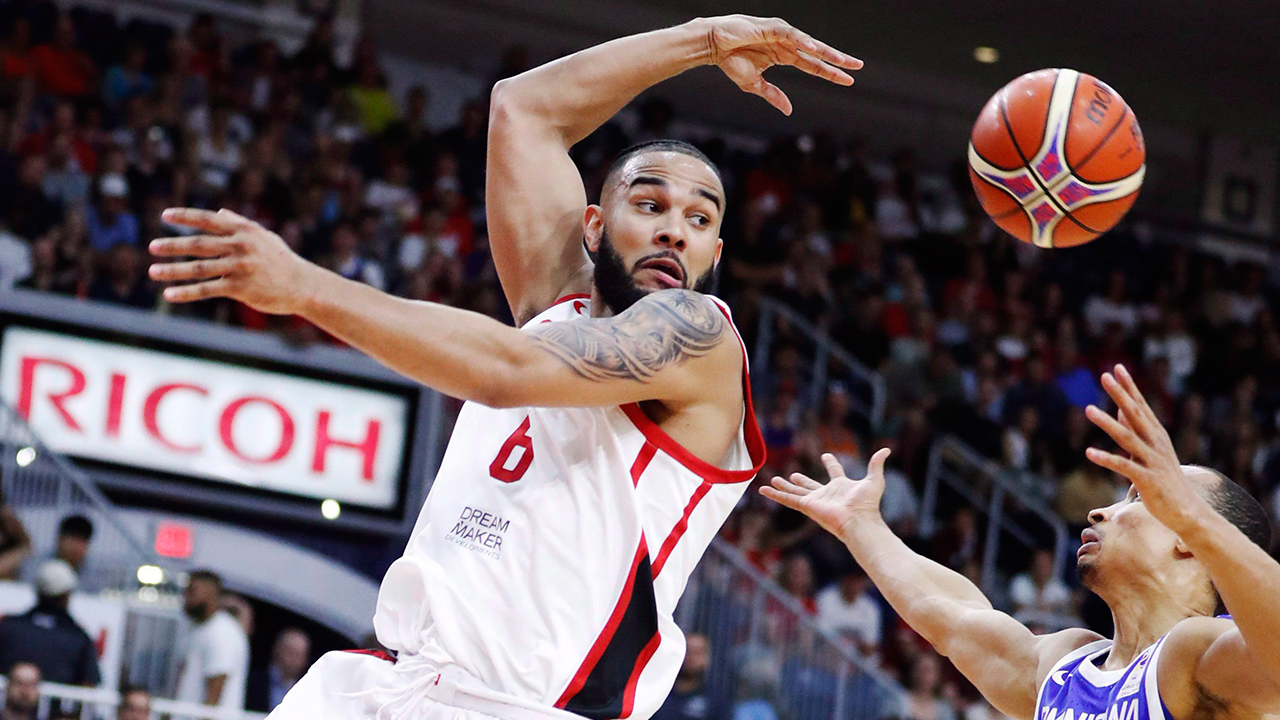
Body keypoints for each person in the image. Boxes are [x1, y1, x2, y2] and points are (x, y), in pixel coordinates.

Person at [148, 15, 860, 720]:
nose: (675, 229)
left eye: (700, 220)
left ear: (716, 255)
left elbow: (503, 371)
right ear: (594, 227)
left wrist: (306, 287)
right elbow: (522, 109)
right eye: (650, 204)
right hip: (393, 684)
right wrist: (701, 41)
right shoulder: (558, 303)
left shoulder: (698, 337)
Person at [763, 364, 1280, 720]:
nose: (1102, 510)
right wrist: (862, 526)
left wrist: (1192, 514)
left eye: (1142, 498)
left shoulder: (1200, 657)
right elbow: (949, 615)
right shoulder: (1065, 665)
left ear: (1188, 540)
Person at [0, 560, 100, 687]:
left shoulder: (8, 626)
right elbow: (89, 685)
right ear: (67, 595)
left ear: (37, 591)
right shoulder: (78, 638)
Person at [175, 571, 249, 716]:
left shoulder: (221, 632)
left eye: (192, 591)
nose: (186, 597)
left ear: (210, 594)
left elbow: (215, 689)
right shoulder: (197, 628)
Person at [650, 635, 728, 720]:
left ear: (707, 658)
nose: (691, 657)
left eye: (697, 652)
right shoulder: (656, 693)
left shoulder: (716, 701)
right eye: (687, 651)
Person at [814, 566, 881, 658]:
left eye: (859, 580)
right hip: (827, 658)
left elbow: (871, 645)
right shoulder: (826, 598)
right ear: (843, 579)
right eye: (852, 579)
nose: (855, 584)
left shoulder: (870, 607)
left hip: (858, 662)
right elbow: (821, 637)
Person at [246, 627, 312, 712]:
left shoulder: (307, 692)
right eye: (291, 652)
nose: (295, 660)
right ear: (277, 650)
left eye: (300, 655)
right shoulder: (252, 682)